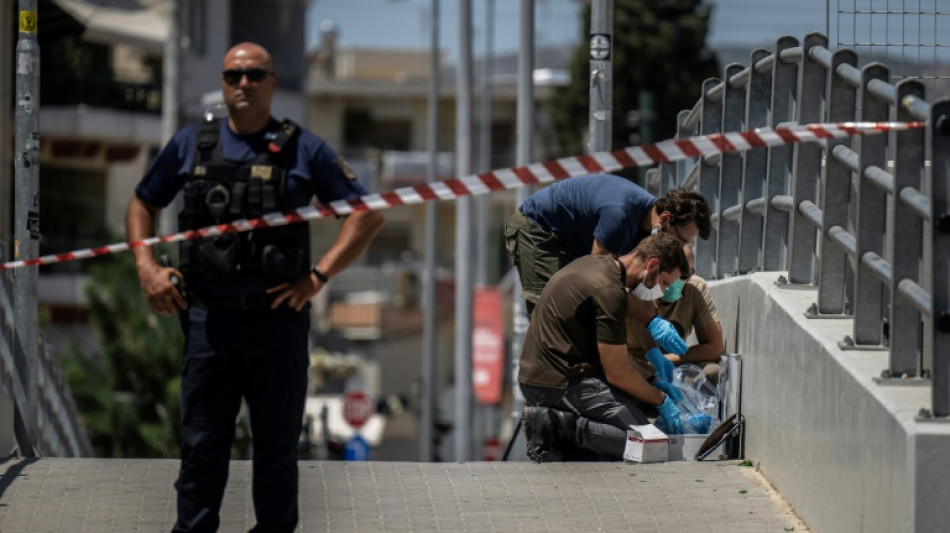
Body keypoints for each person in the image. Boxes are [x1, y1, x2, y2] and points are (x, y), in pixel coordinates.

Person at [125, 42, 383, 532]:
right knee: (202, 447)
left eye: (254, 75)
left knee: (277, 451)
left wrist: (318, 277)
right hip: (208, 321)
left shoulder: (301, 148)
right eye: (233, 76)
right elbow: (142, 204)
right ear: (223, 83)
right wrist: (146, 267)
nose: (243, 84)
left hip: (277, 322)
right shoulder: (191, 144)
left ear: (271, 84)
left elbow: (367, 214)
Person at [518, 232, 691, 462]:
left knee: (641, 406)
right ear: (652, 266)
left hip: (562, 371)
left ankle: (575, 439)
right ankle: (555, 426)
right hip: (554, 382)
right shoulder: (610, 292)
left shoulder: (599, 265)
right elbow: (617, 373)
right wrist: (660, 399)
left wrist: (651, 382)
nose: (662, 292)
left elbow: (615, 354)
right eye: (665, 283)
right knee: (650, 444)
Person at [504, 174, 710, 355]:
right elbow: (600, 283)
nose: (680, 247)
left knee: (585, 313)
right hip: (540, 230)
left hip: (574, 240)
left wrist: (653, 353)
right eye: (681, 240)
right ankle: (548, 386)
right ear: (665, 219)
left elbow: (638, 291)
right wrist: (651, 322)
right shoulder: (620, 217)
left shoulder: (650, 230)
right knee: (554, 314)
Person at [626, 247, 725, 385]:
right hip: (633, 365)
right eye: (669, 277)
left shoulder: (694, 288)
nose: (675, 281)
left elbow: (714, 348)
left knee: (713, 371)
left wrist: (663, 360)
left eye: (684, 275)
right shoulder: (635, 288)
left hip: (674, 363)